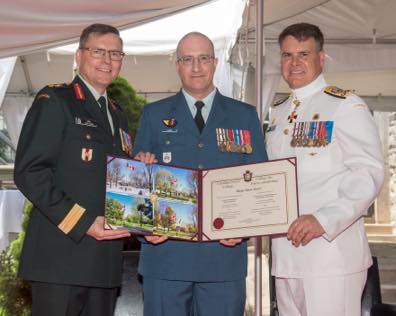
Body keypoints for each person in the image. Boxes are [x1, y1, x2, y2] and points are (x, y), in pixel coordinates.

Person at [133, 32, 267, 316]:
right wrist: (145, 231)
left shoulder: (244, 116)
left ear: (215, 62)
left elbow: (259, 182)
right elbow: (136, 184)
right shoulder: (153, 115)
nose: (196, 67)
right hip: (165, 257)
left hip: (223, 259)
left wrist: (245, 227)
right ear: (177, 65)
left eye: (203, 58)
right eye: (188, 59)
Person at [14, 24, 135, 316]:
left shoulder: (117, 115)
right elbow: (29, 172)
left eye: (116, 53)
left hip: (104, 263)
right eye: (98, 51)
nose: (108, 60)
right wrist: (83, 223)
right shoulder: (57, 101)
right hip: (61, 260)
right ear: (79, 55)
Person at [266, 23, 384, 316]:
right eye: (287, 55)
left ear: (322, 58)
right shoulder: (279, 113)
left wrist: (324, 219)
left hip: (330, 255)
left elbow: (368, 172)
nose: (294, 63)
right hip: (285, 256)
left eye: (303, 54)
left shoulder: (345, 105)